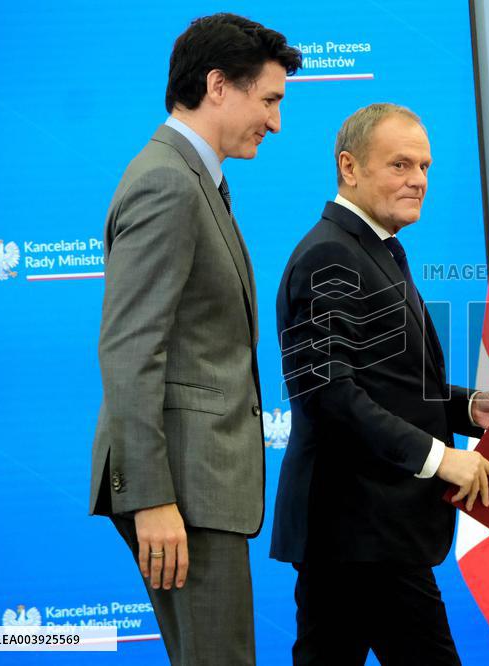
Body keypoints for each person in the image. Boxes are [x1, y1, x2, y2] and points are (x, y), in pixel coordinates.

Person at [89, 13, 301, 665]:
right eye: (268, 100)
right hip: (181, 486)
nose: (276, 122)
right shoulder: (167, 182)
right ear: (218, 86)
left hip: (199, 484)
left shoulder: (198, 180)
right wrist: (151, 498)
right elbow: (129, 350)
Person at [271, 103, 489, 665]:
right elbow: (330, 396)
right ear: (349, 168)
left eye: (425, 166)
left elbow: (386, 385)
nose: (419, 180)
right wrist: (441, 458)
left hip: (367, 530)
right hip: (359, 528)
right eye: (401, 165)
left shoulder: (375, 247)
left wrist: (472, 410)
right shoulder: (332, 253)